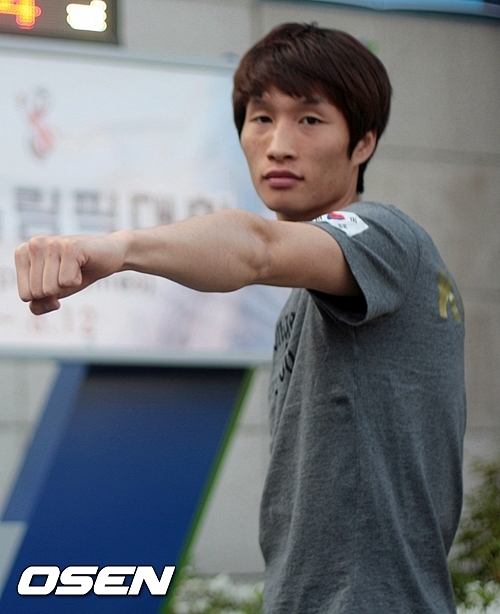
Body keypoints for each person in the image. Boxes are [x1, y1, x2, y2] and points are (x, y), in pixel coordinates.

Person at [15, 23, 465, 614]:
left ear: (363, 143)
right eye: (261, 118)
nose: (279, 144)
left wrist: (119, 249)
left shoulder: (387, 236)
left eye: (310, 119)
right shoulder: (309, 297)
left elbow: (255, 248)